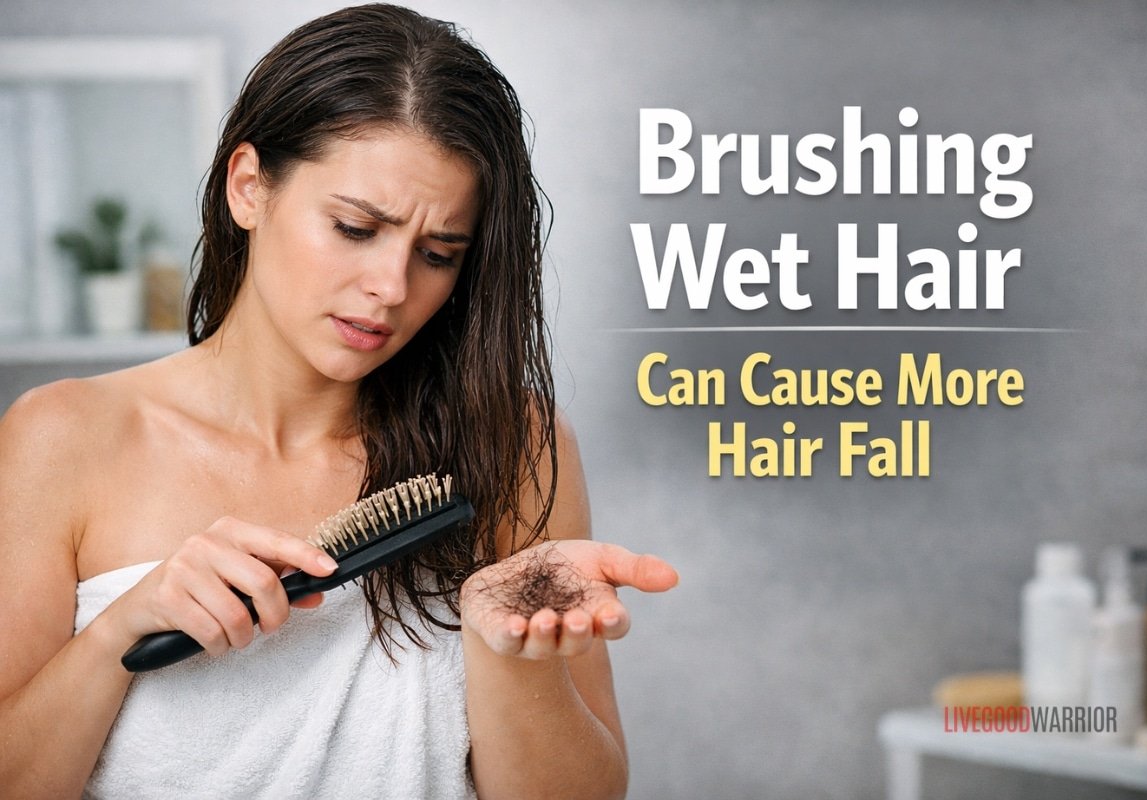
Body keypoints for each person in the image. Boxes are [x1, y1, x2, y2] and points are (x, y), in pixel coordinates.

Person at [0, 5, 678, 798]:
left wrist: (510, 654)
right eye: (356, 228)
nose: (391, 288)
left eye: (437, 254)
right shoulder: (64, 439)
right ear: (249, 187)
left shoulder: (511, 441)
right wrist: (120, 629)